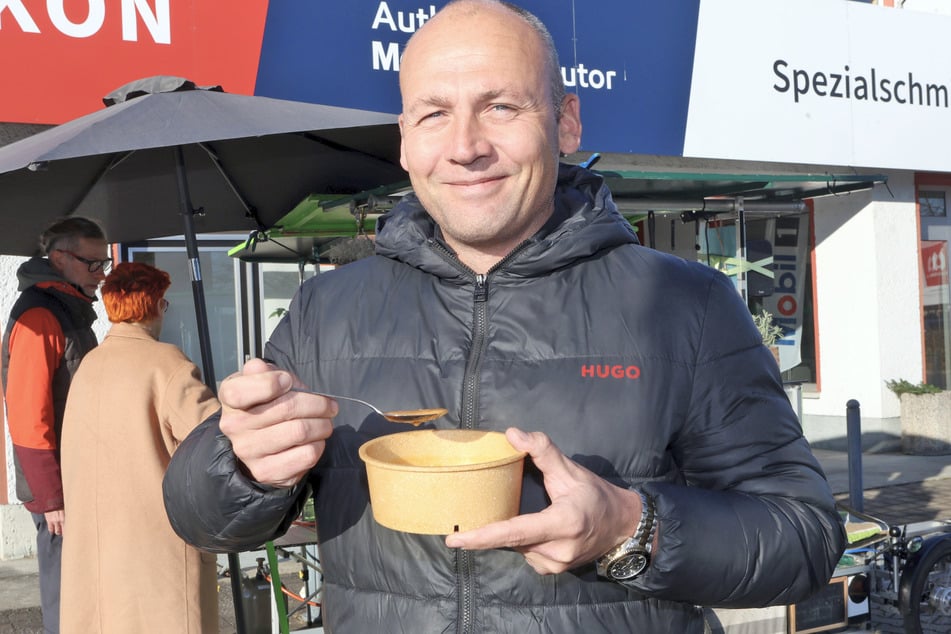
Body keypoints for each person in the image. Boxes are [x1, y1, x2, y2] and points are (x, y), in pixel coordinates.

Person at [163, 1, 847, 631]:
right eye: (433, 113)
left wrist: (631, 529)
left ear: (565, 121)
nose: (464, 146)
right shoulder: (326, 307)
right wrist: (242, 464)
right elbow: (197, 516)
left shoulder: (686, 305)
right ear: (405, 140)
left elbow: (803, 538)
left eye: (499, 106)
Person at [58, 262, 220, 633]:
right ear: (158, 305)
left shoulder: (88, 366)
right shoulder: (167, 365)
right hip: (156, 549)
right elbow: (217, 445)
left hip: (96, 552)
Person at [1, 216, 109, 634]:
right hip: (60, 490)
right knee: (67, 602)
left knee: (87, 596)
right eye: (92, 264)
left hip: (77, 478)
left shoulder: (69, 310)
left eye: (105, 264)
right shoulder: (39, 316)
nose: (100, 275)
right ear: (61, 258)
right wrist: (50, 498)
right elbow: (28, 415)